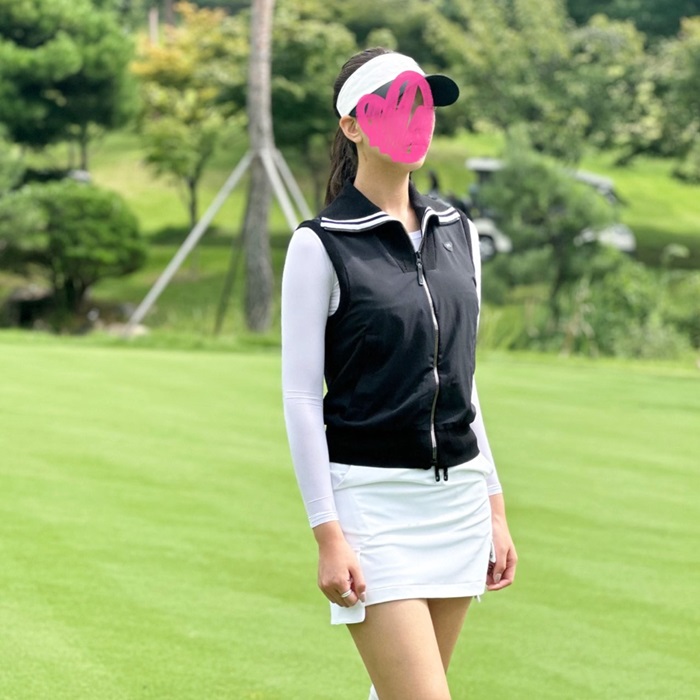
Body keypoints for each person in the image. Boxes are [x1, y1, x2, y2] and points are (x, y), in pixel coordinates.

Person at [281, 47, 517, 700]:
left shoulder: (457, 230)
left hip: (458, 502)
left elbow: (464, 382)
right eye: (396, 105)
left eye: (424, 105)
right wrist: (328, 534)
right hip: (371, 504)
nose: (416, 119)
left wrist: (494, 508)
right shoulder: (321, 244)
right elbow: (301, 397)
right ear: (353, 125)